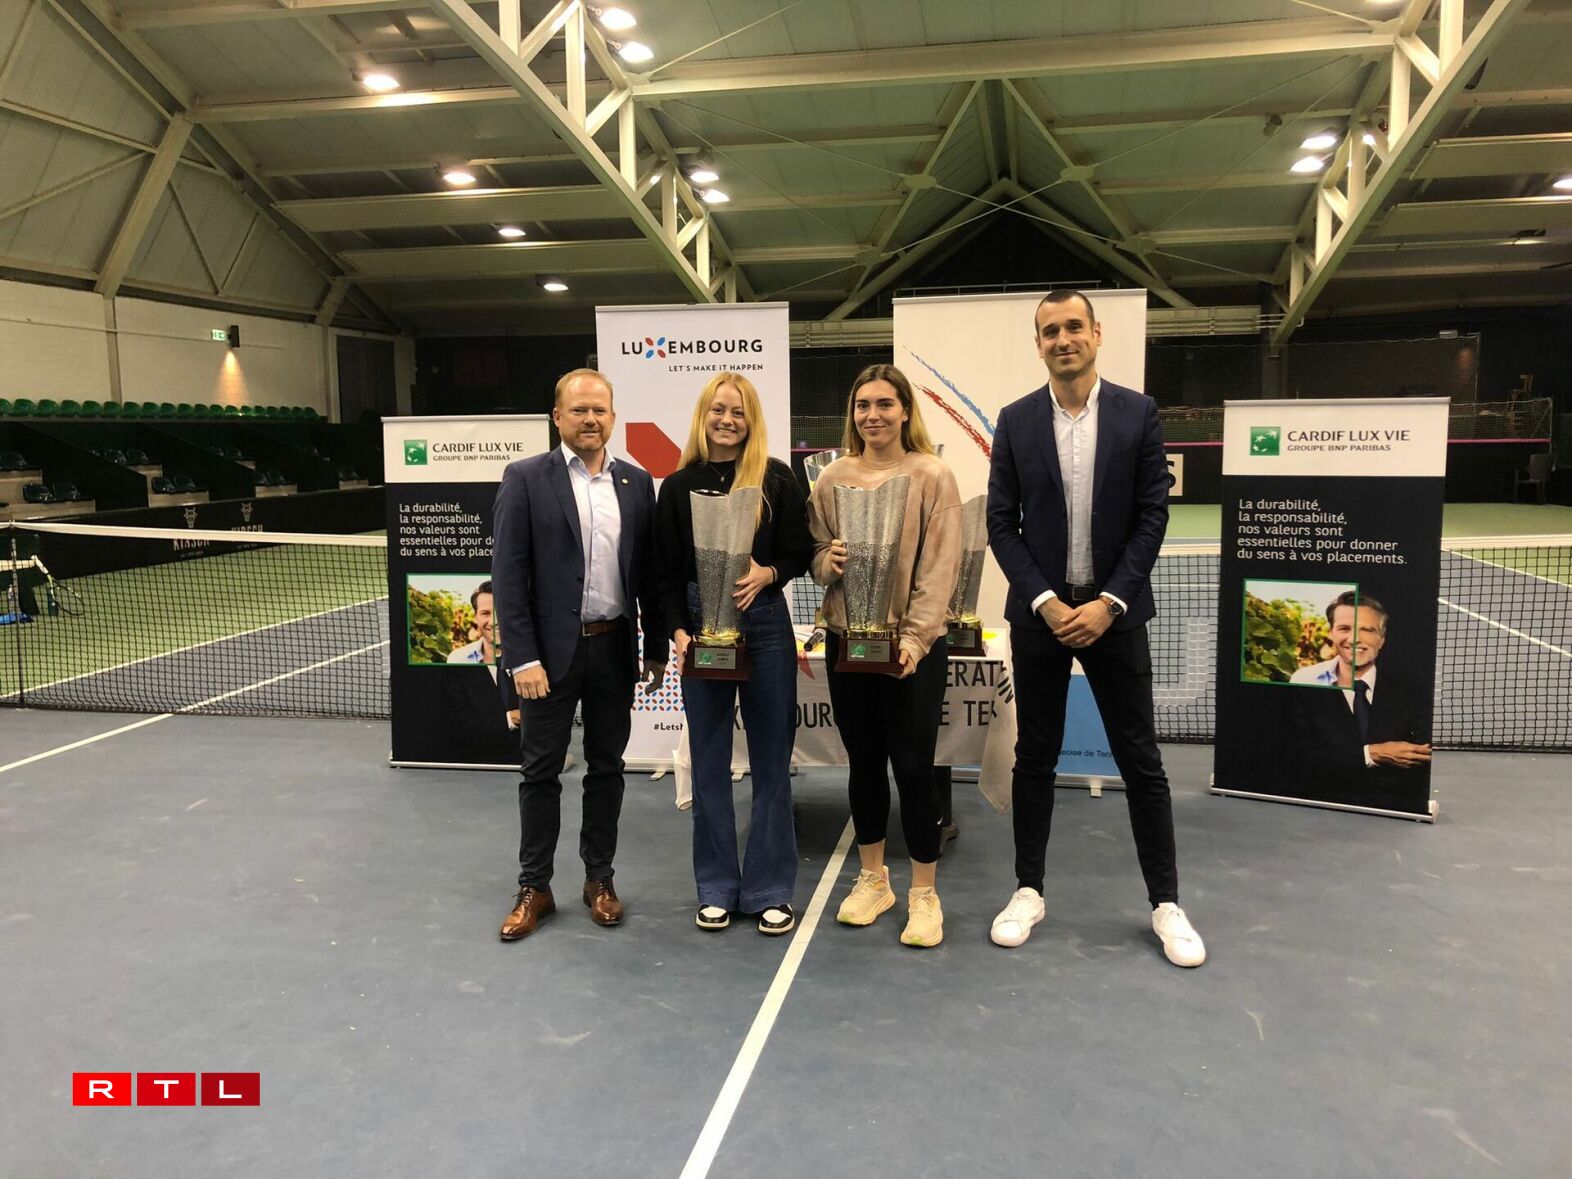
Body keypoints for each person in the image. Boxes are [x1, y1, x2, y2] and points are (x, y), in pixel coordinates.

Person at [986, 289, 1205, 968]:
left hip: (1116, 617)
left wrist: (1108, 602)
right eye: (1049, 330)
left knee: (1142, 761)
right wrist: (1048, 602)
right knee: (1035, 759)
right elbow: (1001, 522)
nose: (1062, 339)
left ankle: (1166, 902)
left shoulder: (1139, 414)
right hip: (1041, 618)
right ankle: (1028, 888)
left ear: (1096, 333)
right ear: (1039, 343)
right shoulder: (1016, 420)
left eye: (1072, 326)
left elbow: (1151, 518)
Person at [491, 368, 666, 942]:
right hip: (545, 660)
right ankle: (534, 885)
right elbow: (508, 578)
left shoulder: (637, 484)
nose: (590, 419)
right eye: (578, 410)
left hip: (614, 650)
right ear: (557, 416)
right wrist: (522, 660)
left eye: (600, 410)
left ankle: (599, 880)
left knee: (607, 769)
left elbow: (648, 575)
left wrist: (656, 647)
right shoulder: (524, 479)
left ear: (613, 417)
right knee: (540, 771)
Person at [808, 364, 961, 948]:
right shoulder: (831, 478)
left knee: (916, 769)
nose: (872, 415)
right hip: (849, 644)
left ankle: (925, 892)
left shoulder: (932, 475)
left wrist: (917, 640)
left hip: (911, 651)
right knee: (864, 764)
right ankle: (875, 879)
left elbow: (939, 567)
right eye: (862, 405)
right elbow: (818, 557)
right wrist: (830, 562)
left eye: (884, 404)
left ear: (904, 411)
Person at [656, 372, 812, 935]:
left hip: (767, 629)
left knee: (772, 765)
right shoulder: (676, 487)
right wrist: (677, 631)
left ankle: (770, 889)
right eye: (719, 410)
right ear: (704, 415)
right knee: (710, 765)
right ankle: (717, 888)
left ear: (752, 421)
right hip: (701, 635)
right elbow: (664, 573)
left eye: (739, 413)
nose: (728, 420)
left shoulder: (776, 480)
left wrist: (768, 573)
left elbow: (800, 552)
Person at [1286, 592, 1431, 810]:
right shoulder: (1303, 681)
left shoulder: (1410, 690)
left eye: (1367, 630)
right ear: (1331, 633)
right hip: (1319, 805)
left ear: (1381, 639)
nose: (1355, 638)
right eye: (1345, 628)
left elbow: (1418, 763)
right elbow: (1297, 757)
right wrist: (1373, 754)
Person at [440, 580, 519, 765]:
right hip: (471, 761)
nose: (495, 621)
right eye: (486, 613)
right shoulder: (458, 660)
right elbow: (458, 726)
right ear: (475, 617)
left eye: (501, 611)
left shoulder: (534, 659)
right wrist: (511, 719)